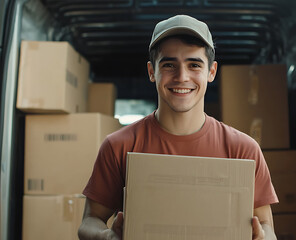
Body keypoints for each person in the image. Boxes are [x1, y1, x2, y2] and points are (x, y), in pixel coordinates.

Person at [78, 14, 278, 240]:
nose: (182, 77)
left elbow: (266, 226)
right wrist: (106, 237)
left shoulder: (242, 150)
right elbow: (89, 221)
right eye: (169, 65)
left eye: (194, 65)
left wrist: (263, 238)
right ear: (152, 71)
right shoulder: (119, 146)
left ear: (211, 72)